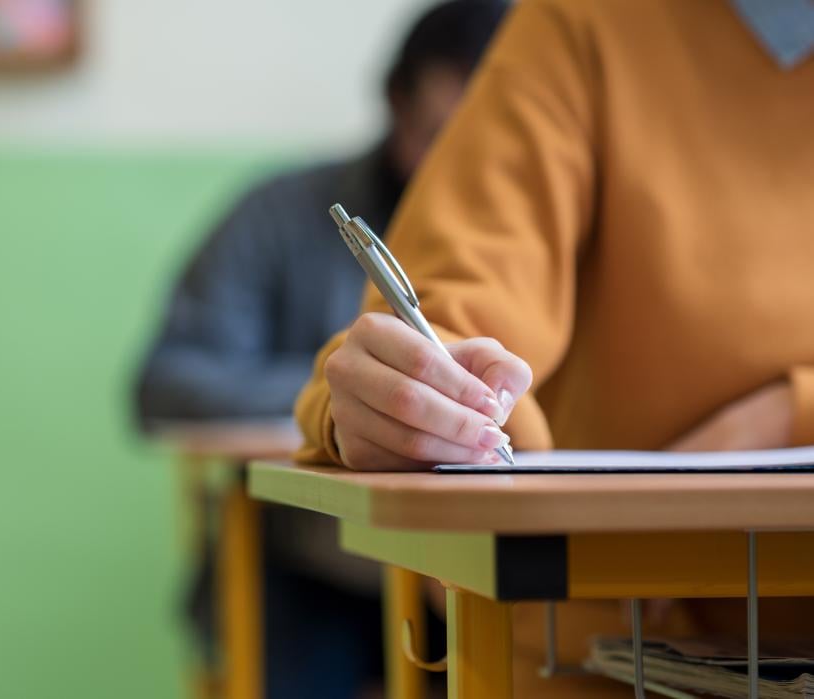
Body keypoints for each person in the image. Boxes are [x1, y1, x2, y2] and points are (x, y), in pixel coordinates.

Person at [295, 0, 814, 696]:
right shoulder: (585, 26)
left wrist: (791, 415)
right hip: (601, 657)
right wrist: (409, 393)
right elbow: (455, 311)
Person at [133, 2, 509, 697]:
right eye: (440, 137)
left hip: (475, 571)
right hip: (314, 571)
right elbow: (166, 382)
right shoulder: (280, 213)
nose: (462, 171)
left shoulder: (540, 230)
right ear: (398, 104)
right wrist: (341, 396)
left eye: (494, 144)